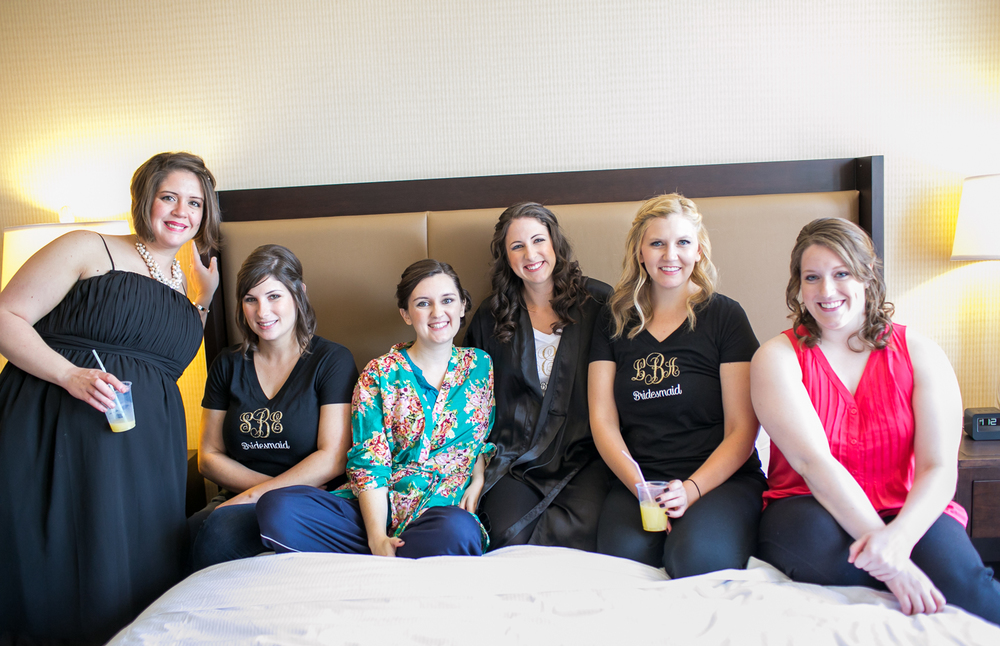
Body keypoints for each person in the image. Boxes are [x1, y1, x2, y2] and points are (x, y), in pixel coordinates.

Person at [0, 152, 221, 646]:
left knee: (123, 581)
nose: (181, 211)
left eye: (194, 203)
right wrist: (69, 374)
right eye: (169, 197)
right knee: (50, 565)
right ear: (145, 199)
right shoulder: (88, 246)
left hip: (142, 443)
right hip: (58, 420)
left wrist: (204, 299)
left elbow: (167, 361)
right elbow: (7, 316)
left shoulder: (184, 284)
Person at [752, 217, 1000, 624]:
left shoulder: (921, 354)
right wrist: (896, 569)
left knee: (968, 586)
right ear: (798, 285)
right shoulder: (776, 358)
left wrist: (898, 541)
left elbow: (939, 467)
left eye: (841, 273)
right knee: (837, 567)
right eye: (812, 277)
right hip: (809, 504)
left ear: (867, 274)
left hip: (905, 505)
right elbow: (814, 464)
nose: (826, 291)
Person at [257, 259, 496, 558]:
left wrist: (478, 476)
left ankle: (389, 552)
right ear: (406, 314)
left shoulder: (480, 366)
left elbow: (477, 440)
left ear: (462, 306)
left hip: (440, 514)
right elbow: (370, 463)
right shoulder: (379, 373)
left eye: (447, 300)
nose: (437, 313)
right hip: (373, 510)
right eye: (423, 303)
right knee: (276, 507)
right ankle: (392, 552)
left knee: (458, 531)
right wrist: (377, 538)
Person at [589, 193, 765, 578]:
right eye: (657, 243)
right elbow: (603, 421)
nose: (671, 255)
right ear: (640, 252)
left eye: (683, 242)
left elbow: (742, 429)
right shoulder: (613, 319)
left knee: (695, 560)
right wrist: (642, 489)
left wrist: (691, 490)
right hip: (639, 479)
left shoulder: (726, 316)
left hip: (719, 479)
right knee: (624, 563)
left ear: (699, 250)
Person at [189, 244, 357, 570]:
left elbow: (334, 457)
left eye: (274, 296)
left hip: (311, 497)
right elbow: (208, 457)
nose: (262, 311)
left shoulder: (332, 360)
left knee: (219, 532)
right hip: (240, 495)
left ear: (299, 294)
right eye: (250, 299)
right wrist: (259, 491)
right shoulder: (227, 364)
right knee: (191, 530)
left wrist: (260, 496)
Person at [464, 203, 611, 551]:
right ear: (506, 257)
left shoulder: (599, 303)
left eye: (538, 240)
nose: (530, 255)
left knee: (587, 534)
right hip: (516, 455)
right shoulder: (491, 315)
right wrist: (476, 470)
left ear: (555, 243)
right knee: (506, 535)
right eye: (517, 246)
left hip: (585, 453)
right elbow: (471, 403)